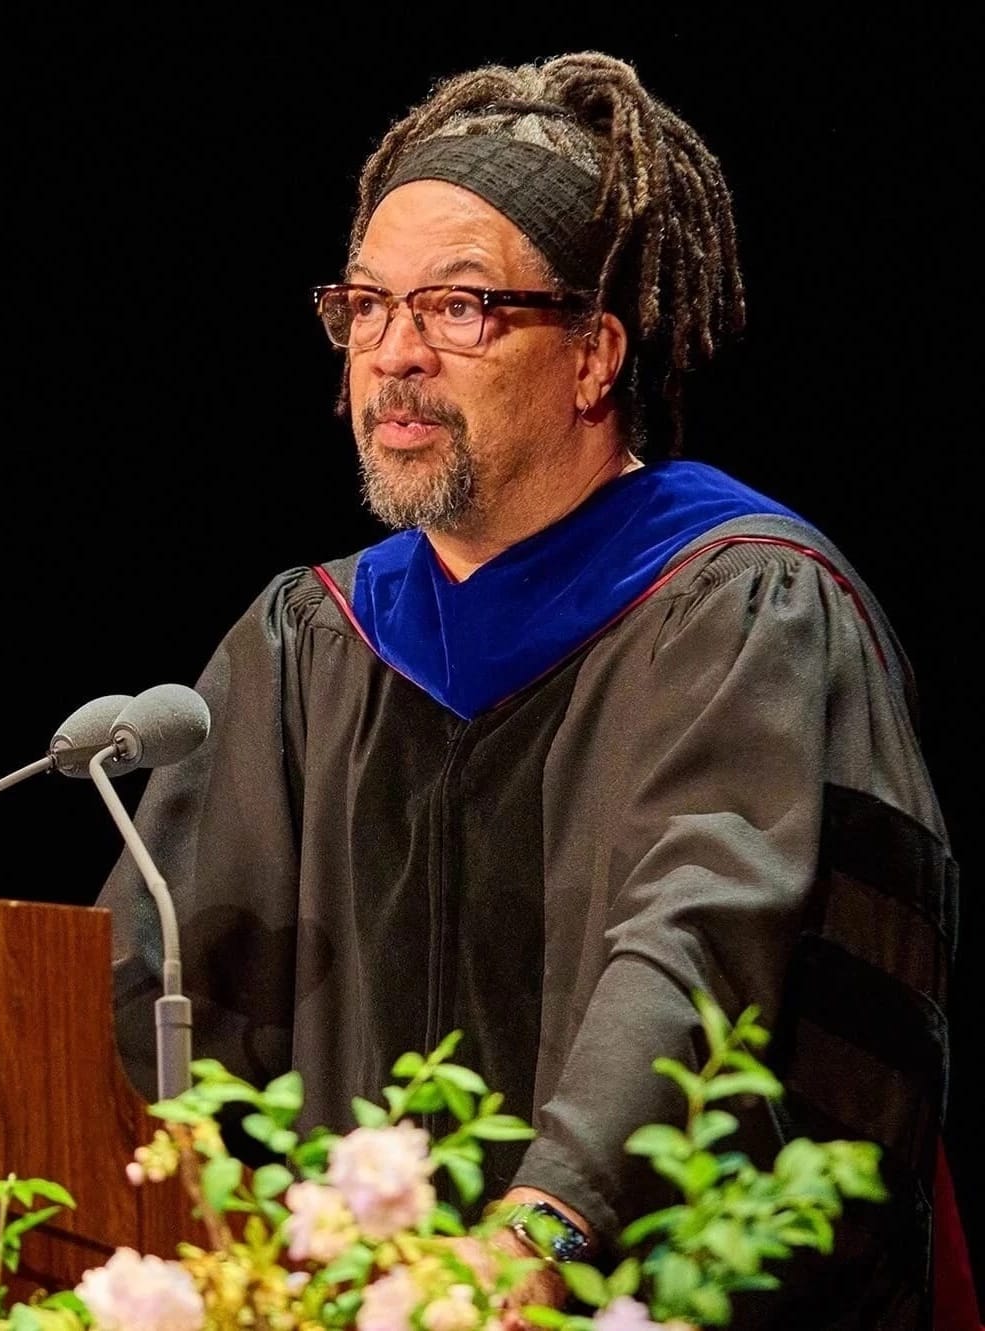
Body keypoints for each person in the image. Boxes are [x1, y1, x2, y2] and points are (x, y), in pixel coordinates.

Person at [98, 50, 966, 1329]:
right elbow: (146, 993)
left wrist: (547, 1222)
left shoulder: (745, 606)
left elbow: (703, 938)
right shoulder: (307, 644)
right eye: (367, 306)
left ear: (595, 354)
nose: (394, 354)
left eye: (458, 308)